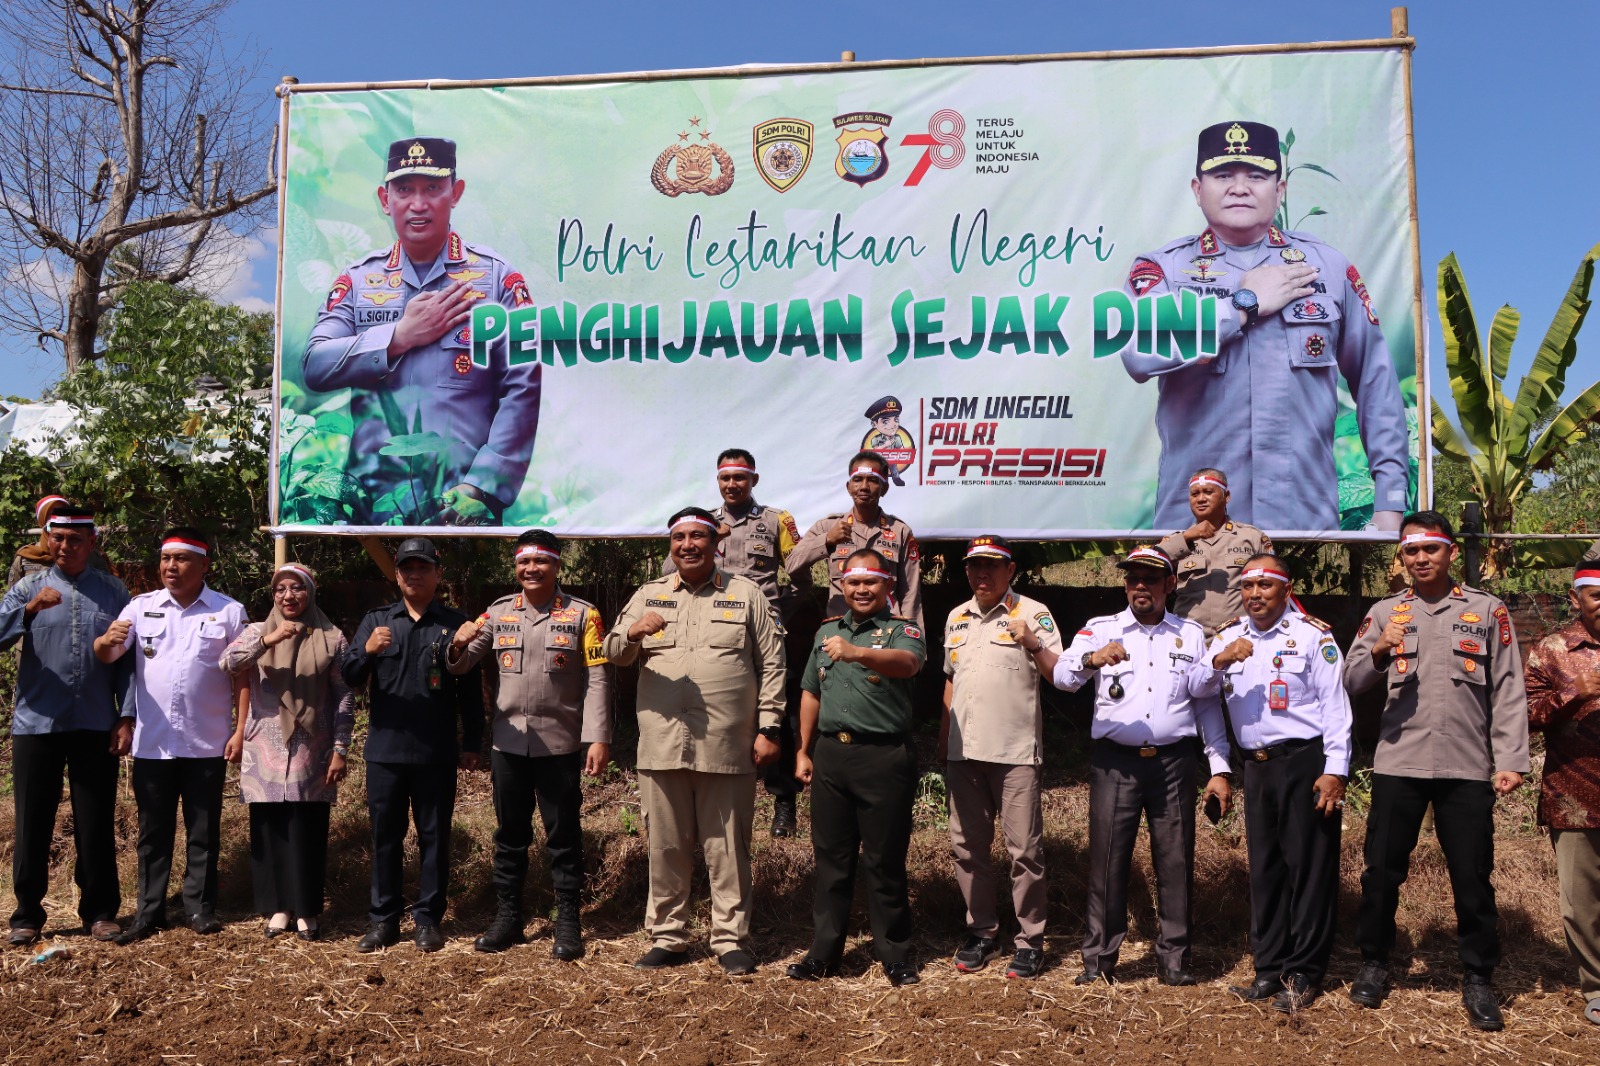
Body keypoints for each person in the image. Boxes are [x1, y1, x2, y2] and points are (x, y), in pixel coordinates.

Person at [1117, 120, 1409, 532]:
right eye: (1223, 175)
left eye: (1256, 175)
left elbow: (1376, 385)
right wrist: (1242, 307)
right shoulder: (1163, 269)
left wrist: (1390, 502)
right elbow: (1138, 355)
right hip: (1195, 532)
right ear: (1198, 190)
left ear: (1281, 189)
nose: (1240, 187)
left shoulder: (1328, 267)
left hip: (1305, 526)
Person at [1344, 511, 1530, 1032]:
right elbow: (1350, 681)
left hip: (1467, 766)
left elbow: (1509, 689)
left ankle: (1477, 975)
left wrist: (1511, 758)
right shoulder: (1385, 613)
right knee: (1382, 872)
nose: (1420, 559)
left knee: (1471, 878)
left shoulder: (1487, 611)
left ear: (1450, 552)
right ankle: (1375, 963)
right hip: (1399, 763)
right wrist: (1380, 649)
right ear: (1400, 557)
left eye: (1430, 549)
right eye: (1410, 551)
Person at [301, 137, 541, 526]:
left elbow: (523, 386)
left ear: (455, 192)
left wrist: (483, 486)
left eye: (433, 188)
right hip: (376, 502)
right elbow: (315, 365)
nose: (418, 203)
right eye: (404, 189)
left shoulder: (496, 278)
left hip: (463, 501)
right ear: (385, 199)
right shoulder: (359, 279)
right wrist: (399, 337)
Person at [1030, 546, 1231, 987]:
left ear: (1169, 585)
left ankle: (1174, 959)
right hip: (1115, 764)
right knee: (1107, 860)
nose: (1142, 586)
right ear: (1125, 585)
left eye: (1152, 578)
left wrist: (1219, 766)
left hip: (1173, 763)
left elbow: (1207, 705)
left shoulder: (1191, 635)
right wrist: (1091, 660)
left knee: (1176, 861)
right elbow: (1063, 678)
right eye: (1134, 578)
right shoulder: (1101, 629)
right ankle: (1099, 960)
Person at [603, 508, 786, 974]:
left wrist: (769, 727)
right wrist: (632, 631)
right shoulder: (650, 595)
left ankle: (731, 939)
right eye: (679, 537)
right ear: (671, 544)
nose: (688, 544)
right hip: (662, 743)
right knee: (666, 846)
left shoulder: (745, 595)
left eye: (698, 536)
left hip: (727, 742)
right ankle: (669, 936)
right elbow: (612, 653)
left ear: (714, 543)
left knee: (728, 847)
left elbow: (773, 663)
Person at [447, 529, 611, 959]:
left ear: (557, 565)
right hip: (508, 745)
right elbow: (462, 664)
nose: (531, 569)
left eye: (541, 562)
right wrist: (456, 643)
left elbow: (596, 677)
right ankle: (508, 920)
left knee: (564, 836)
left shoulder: (582, 615)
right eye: (523, 562)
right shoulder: (500, 613)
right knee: (510, 835)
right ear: (515, 567)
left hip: (559, 746)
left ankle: (568, 923)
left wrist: (597, 736)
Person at [1206, 554, 1352, 1012]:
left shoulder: (1313, 637)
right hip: (1257, 767)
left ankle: (1303, 974)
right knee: (1266, 871)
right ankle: (1268, 970)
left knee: (1308, 871)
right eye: (1248, 587)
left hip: (1304, 762)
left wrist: (1336, 769)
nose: (1255, 595)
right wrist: (1218, 661)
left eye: (1265, 586)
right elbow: (1198, 691)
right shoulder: (1228, 638)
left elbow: (1335, 707)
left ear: (1286, 590)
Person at [93, 527, 249, 944]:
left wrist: (239, 730)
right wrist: (104, 644)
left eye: (181, 559)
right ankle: (150, 911)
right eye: (166, 559)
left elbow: (244, 675)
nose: (171, 567)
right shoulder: (140, 608)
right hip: (153, 743)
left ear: (203, 565)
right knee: (153, 831)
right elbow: (110, 653)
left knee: (203, 831)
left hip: (208, 741)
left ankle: (199, 908)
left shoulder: (228, 612)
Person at [789, 548, 927, 987]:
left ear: (888, 585)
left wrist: (857, 652)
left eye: (871, 582)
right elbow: (811, 692)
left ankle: (895, 955)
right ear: (841, 586)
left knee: (885, 861)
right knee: (831, 860)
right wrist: (804, 750)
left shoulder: (902, 630)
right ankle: (824, 954)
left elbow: (909, 664)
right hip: (832, 756)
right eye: (853, 582)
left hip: (883, 757)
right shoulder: (827, 632)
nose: (862, 589)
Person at [343, 537, 484, 953]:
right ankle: (383, 920)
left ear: (438, 574)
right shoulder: (377, 621)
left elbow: (470, 692)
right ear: (398, 574)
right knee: (385, 836)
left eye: (423, 567)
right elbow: (348, 675)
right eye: (407, 568)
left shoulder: (454, 624)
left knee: (434, 837)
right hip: (385, 753)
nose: (414, 574)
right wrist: (366, 652)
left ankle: (427, 920)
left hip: (435, 753)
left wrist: (472, 742)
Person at [0, 506, 131, 945]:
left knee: (95, 820)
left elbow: (128, 661)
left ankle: (99, 911)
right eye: (57, 538)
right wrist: (29, 612)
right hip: (36, 722)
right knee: (33, 820)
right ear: (47, 538)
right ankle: (27, 915)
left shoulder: (113, 592)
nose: (65, 546)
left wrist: (126, 715)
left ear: (91, 543)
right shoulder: (28, 587)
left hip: (95, 722)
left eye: (75, 540)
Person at [668, 448, 810, 837]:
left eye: (740, 477)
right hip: (714, 631)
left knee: (776, 709)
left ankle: (784, 803)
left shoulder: (776, 520)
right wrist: (710, 539)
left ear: (754, 480)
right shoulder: (703, 523)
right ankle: (710, 796)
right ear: (718, 481)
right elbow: (670, 569)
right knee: (715, 704)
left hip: (763, 629)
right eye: (725, 478)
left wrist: (777, 611)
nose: (732, 485)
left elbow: (799, 572)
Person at [938, 535, 1062, 979]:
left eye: (992, 565)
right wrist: (944, 735)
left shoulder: (1033, 614)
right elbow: (950, 681)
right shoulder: (957, 616)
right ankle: (982, 932)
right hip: (963, 751)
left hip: (1014, 753)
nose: (982, 574)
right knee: (967, 849)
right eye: (975, 566)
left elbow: (1058, 673)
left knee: (1024, 852)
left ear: (1011, 570)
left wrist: (1031, 641)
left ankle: (1030, 940)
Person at [220, 563, 354, 942]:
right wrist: (270, 639)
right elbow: (227, 663)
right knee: (269, 829)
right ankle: (278, 907)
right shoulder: (256, 632)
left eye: (296, 588)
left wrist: (341, 748)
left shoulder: (332, 637)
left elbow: (344, 695)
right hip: (263, 745)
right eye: (280, 590)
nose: (288, 596)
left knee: (306, 828)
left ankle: (307, 909)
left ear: (310, 593)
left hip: (312, 745)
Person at [1525, 562, 1600, 1025]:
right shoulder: (1551, 651)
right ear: (1576, 600)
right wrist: (1573, 694)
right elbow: (1523, 716)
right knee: (1582, 900)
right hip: (1575, 795)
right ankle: (1596, 985)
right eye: (1596, 596)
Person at [787, 450, 923, 626]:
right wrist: (827, 541)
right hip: (841, 628)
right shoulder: (827, 527)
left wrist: (912, 642)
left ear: (885, 489)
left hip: (886, 629)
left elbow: (911, 592)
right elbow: (791, 565)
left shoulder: (900, 531)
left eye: (873, 480)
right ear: (849, 487)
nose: (864, 486)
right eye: (858, 479)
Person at [1157, 468, 1275, 639]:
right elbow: (1147, 565)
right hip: (1188, 640)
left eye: (1208, 492)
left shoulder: (1252, 537)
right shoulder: (1176, 541)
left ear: (1226, 496)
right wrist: (1188, 536)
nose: (1201, 499)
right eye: (1195, 494)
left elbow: (1274, 585)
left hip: (1239, 639)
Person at [8, 494, 68, 588]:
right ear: (43, 519)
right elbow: (12, 599)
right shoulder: (25, 558)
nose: (59, 518)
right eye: (52, 514)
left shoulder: (82, 553)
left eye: (63, 513)